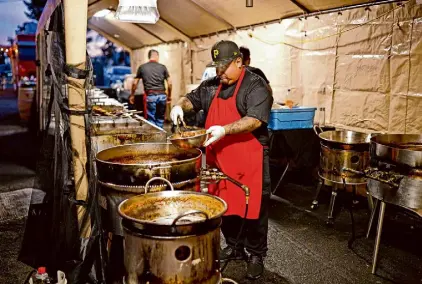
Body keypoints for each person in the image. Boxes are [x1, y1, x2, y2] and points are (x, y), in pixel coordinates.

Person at [170, 40, 273, 279]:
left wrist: (224, 130)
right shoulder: (212, 85)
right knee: (224, 204)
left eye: (224, 67)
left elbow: (255, 119)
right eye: (216, 67)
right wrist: (178, 106)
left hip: (250, 158)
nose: (219, 73)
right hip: (220, 157)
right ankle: (235, 246)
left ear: (239, 62)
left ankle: (256, 253)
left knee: (254, 207)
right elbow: (191, 99)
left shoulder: (255, 85)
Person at [130, 49, 172, 128]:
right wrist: (169, 96)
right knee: (160, 118)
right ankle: (160, 136)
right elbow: (170, 83)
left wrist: (132, 95)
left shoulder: (142, 67)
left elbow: (134, 83)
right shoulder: (162, 67)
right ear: (156, 56)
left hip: (150, 95)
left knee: (151, 119)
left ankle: (153, 137)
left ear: (149, 56)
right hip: (162, 95)